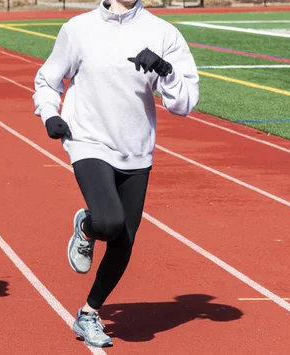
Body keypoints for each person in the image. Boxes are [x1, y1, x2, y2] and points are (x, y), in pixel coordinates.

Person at [33, 0, 199, 347]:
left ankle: (89, 313)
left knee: (124, 240)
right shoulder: (79, 29)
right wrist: (49, 113)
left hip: (136, 149)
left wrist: (166, 70)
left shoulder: (163, 33)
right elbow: (47, 79)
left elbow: (184, 104)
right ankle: (87, 225)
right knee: (108, 222)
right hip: (88, 140)